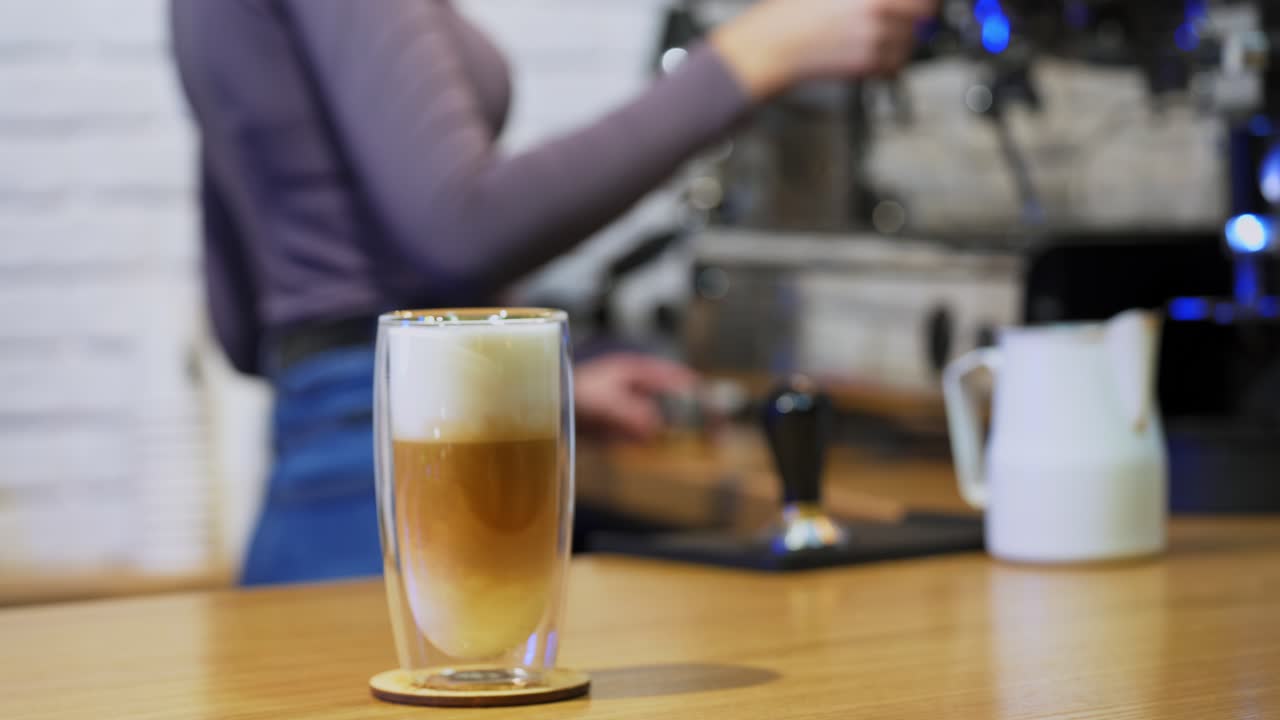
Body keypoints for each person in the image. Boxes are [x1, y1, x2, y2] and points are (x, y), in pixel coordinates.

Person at [170, 0, 936, 586]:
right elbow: (459, 225)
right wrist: (750, 56)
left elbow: (244, 319)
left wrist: (517, 389)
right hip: (414, 502)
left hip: (312, 494)